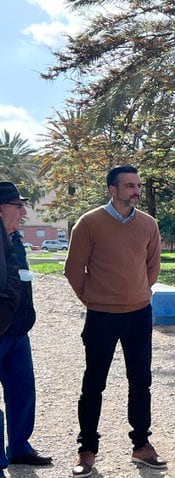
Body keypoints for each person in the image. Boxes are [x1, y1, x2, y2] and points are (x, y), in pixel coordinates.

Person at [64, 166, 166, 478]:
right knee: (93, 384)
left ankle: (141, 445)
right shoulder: (89, 223)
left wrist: (136, 295)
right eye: (129, 186)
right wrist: (95, 299)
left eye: (137, 185)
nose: (136, 190)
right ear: (113, 189)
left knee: (141, 381)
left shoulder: (148, 224)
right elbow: (73, 269)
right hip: (101, 316)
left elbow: (153, 266)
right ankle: (87, 451)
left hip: (138, 314)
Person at [0, 182, 53, 476]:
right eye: (17, 206)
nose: (23, 211)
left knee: (23, 391)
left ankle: (19, 447)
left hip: (18, 332)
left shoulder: (15, 239)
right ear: (0, 209)